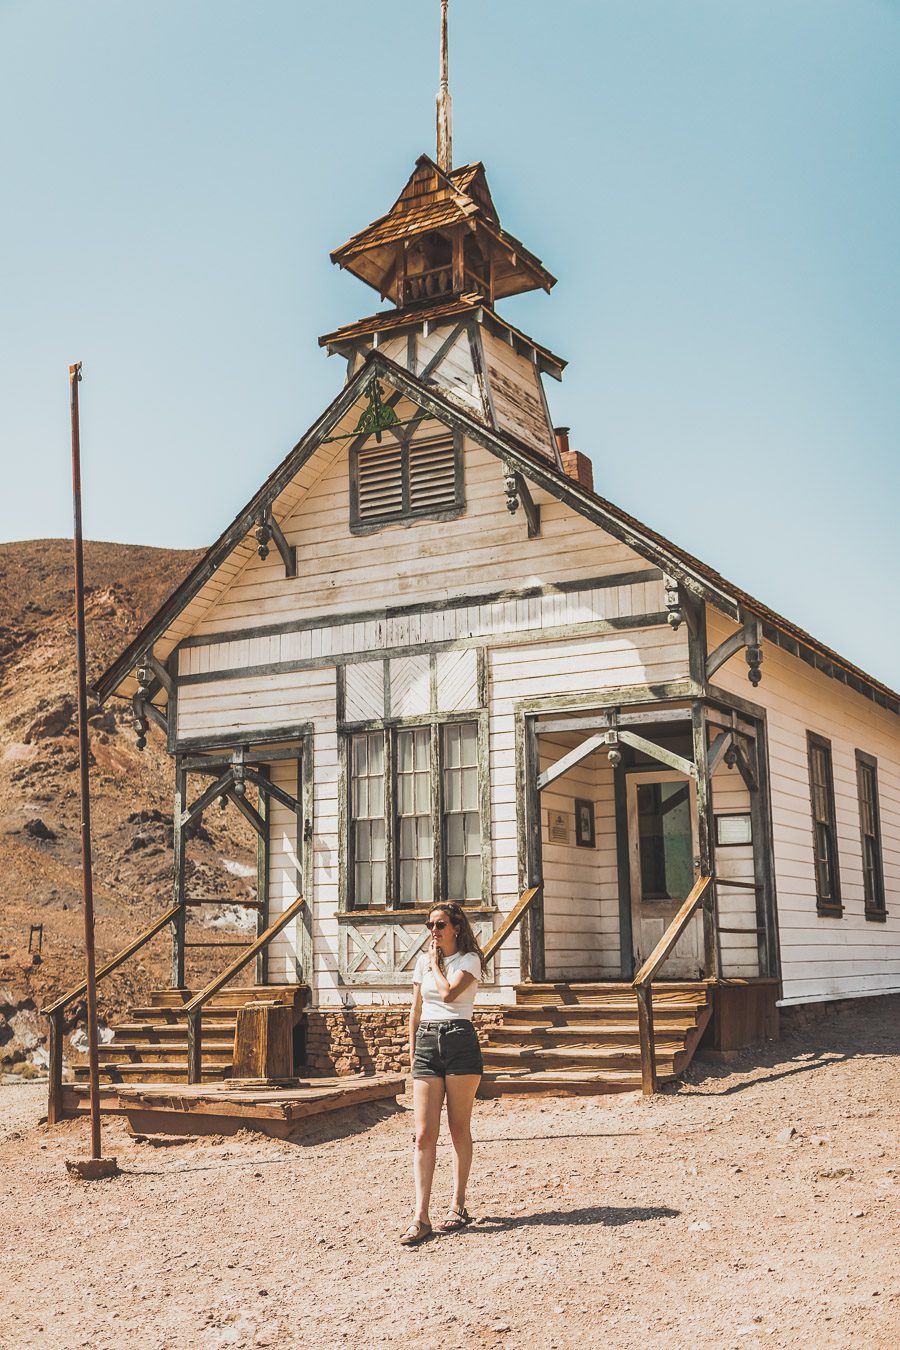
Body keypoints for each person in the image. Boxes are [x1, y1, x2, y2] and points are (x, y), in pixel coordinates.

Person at [400, 902, 487, 1246]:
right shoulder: (423, 962)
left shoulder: (469, 960)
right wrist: (411, 1047)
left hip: (459, 1040)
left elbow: (451, 994)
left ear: (455, 928)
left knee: (457, 1127)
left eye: (439, 925)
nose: (433, 931)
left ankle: (458, 1203)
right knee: (423, 1134)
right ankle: (421, 1216)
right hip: (427, 1043)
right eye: (429, 925)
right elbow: (416, 1008)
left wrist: (436, 964)